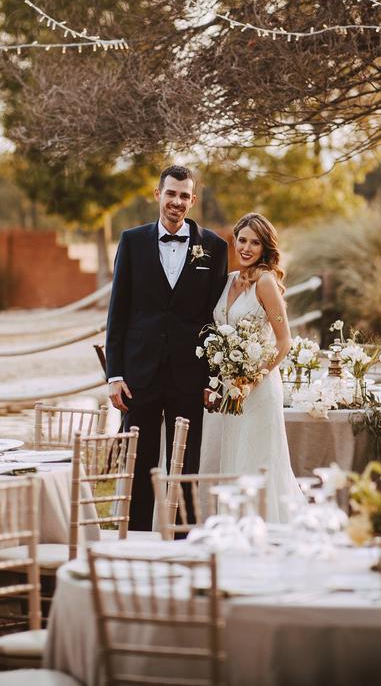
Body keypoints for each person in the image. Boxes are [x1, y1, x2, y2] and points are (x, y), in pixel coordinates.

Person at [105, 165, 230, 531]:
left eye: (184, 195)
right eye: (171, 193)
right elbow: (118, 311)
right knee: (140, 462)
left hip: (189, 376)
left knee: (186, 464)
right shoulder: (131, 241)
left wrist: (212, 378)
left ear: (193, 200)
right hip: (139, 375)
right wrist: (115, 374)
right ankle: (139, 540)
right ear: (158, 194)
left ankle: (183, 541)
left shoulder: (215, 248)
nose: (177, 202)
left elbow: (214, 320)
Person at [199, 212, 303, 522]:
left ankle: (268, 529)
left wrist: (252, 378)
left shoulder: (266, 282)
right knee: (233, 460)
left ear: (265, 248)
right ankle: (235, 528)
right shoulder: (229, 280)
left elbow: (284, 340)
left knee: (257, 461)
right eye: (242, 240)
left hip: (259, 390)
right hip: (230, 390)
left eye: (254, 243)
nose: (246, 248)